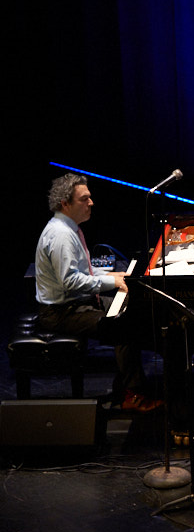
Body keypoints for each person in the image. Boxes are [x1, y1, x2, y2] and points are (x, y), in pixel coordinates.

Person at [34, 173, 157, 412]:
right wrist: (112, 283)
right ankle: (132, 395)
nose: (91, 203)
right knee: (122, 326)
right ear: (65, 204)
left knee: (128, 312)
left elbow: (83, 272)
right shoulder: (61, 235)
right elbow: (72, 282)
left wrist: (112, 276)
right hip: (60, 312)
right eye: (84, 199)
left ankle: (125, 387)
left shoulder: (68, 227)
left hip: (74, 303)